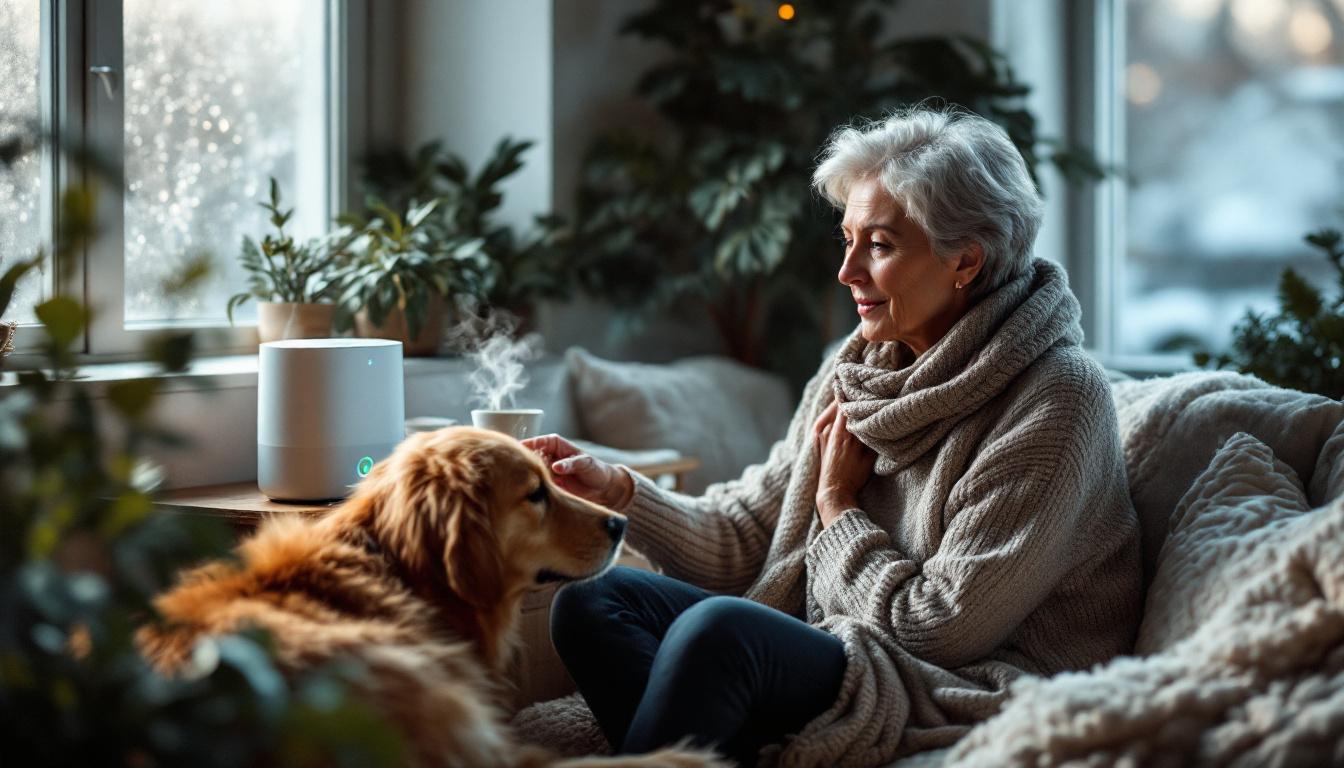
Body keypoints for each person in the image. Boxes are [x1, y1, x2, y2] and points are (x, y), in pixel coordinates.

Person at [523, 107, 1142, 767]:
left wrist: (838, 505)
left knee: (719, 632)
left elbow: (938, 629)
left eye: (879, 245)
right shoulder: (858, 369)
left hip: (963, 681)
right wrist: (618, 492)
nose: (847, 271)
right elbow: (746, 535)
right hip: (854, 646)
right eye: (847, 239)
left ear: (965, 259)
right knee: (595, 601)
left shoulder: (1056, 399)